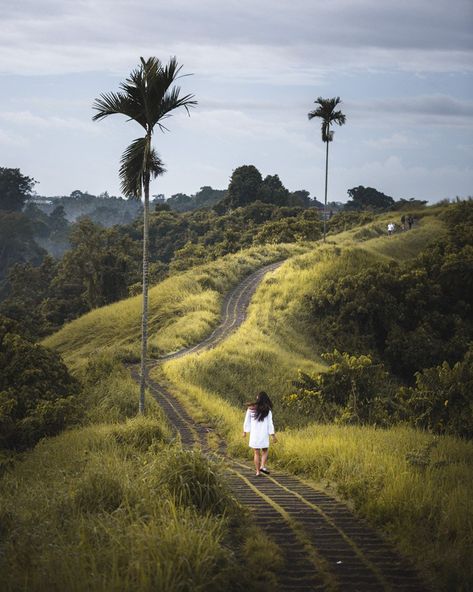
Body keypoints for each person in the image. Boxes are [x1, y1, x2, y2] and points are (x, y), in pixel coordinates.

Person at [243, 391, 277, 476]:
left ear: (258, 398)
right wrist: (273, 435)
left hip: (255, 434)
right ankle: (262, 466)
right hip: (263, 434)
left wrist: (245, 432)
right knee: (265, 450)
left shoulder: (251, 409)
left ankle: (258, 472)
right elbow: (270, 423)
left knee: (256, 452)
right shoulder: (267, 410)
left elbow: (247, 421)